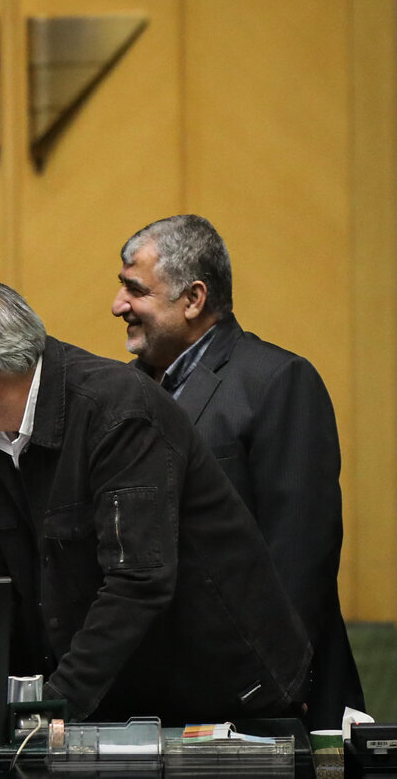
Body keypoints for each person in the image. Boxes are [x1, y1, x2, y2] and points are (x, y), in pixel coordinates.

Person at [0, 276, 312, 723]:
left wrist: (54, 708)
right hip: (120, 688)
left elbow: (138, 581)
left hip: (223, 695)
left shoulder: (119, 411)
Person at [112, 214, 364, 727]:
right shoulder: (120, 393)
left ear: (193, 299)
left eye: (135, 290)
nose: (118, 305)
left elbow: (300, 553)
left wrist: (277, 683)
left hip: (266, 700)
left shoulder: (277, 380)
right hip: (159, 695)